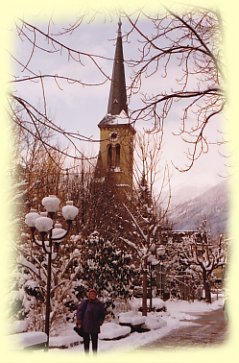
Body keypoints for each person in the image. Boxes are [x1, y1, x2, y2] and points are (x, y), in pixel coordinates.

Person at [76, 288, 105, 354]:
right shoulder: (85, 303)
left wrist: (100, 321)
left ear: (96, 295)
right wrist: (79, 321)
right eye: (91, 294)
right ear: (89, 295)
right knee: (86, 342)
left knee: (95, 342)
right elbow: (80, 311)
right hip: (86, 325)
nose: (92, 295)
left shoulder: (99, 304)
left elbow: (102, 313)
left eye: (94, 294)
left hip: (95, 325)